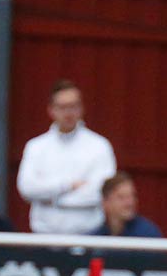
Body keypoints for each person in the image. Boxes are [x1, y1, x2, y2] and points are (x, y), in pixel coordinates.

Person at [16, 79, 117, 235]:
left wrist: (52, 200)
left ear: (81, 108)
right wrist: (67, 186)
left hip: (88, 236)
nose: (68, 113)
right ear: (51, 110)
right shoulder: (35, 147)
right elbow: (27, 188)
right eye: (62, 107)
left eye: (73, 106)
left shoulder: (100, 146)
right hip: (43, 237)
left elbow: (100, 192)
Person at [88, 172, 164, 239]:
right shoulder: (95, 238)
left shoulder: (147, 235)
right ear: (105, 202)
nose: (129, 203)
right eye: (121, 197)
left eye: (132, 196)